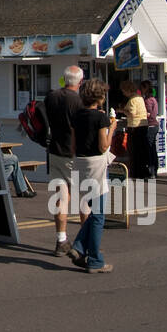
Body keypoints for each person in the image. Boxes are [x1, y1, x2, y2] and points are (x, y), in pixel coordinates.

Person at [66, 78, 114, 274]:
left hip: (80, 162)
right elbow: (103, 146)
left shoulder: (77, 116)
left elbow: (73, 145)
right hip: (96, 165)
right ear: (100, 96)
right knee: (98, 215)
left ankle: (78, 247)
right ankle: (94, 260)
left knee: (93, 211)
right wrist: (113, 128)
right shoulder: (101, 118)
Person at [43, 65, 84, 255]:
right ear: (80, 82)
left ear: (65, 79)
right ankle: (85, 241)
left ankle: (61, 240)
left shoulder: (51, 96)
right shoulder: (78, 101)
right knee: (84, 199)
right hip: (73, 153)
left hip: (55, 151)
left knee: (61, 198)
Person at [120, 80, 151, 180]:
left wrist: (122, 110)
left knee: (134, 151)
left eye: (123, 91)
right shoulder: (140, 98)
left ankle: (136, 172)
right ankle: (142, 172)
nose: (123, 93)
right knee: (142, 150)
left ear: (127, 90)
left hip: (135, 127)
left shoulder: (132, 100)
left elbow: (132, 113)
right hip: (143, 125)